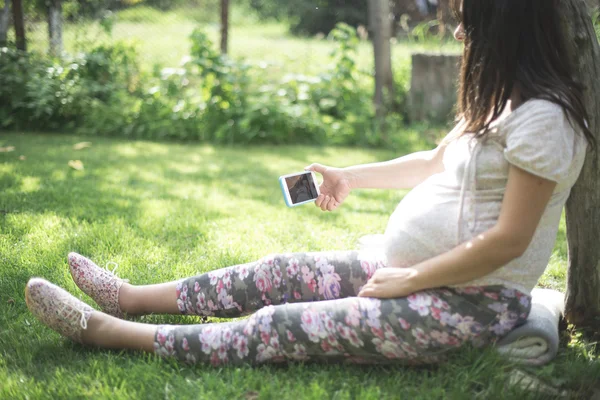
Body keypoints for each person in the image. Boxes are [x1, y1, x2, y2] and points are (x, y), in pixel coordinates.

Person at [25, 0, 595, 367]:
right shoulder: (502, 106)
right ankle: (130, 298)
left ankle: (109, 331)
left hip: (469, 303)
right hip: (406, 274)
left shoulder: (544, 121)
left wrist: (408, 279)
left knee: (279, 326)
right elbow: (432, 162)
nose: (462, 30)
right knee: (278, 272)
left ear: (504, 31)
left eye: (471, 21)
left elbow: (510, 240)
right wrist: (351, 177)